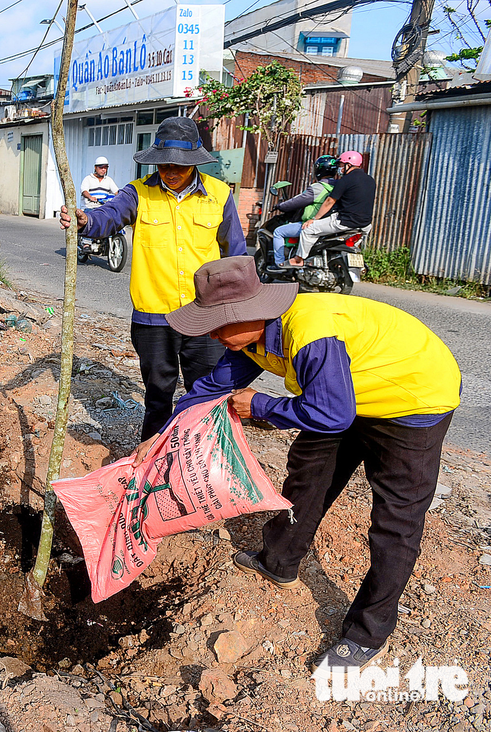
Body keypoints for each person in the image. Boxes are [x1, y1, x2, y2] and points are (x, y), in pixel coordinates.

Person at [136, 256, 460, 670]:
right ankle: (279, 561)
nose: (215, 336)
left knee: (397, 520)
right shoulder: (250, 339)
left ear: (254, 312)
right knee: (308, 473)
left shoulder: (309, 333)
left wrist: (263, 406)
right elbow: (211, 388)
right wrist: (160, 437)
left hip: (413, 399)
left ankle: (368, 632)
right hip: (347, 393)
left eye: (220, 324)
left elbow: (332, 415)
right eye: (209, 325)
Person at [60, 116, 247, 440]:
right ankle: (152, 461)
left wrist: (240, 311)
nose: (170, 172)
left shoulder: (219, 194)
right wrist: (85, 220)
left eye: (179, 166)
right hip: (154, 318)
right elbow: (109, 216)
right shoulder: (138, 193)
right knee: (158, 395)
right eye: (163, 165)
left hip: (205, 317)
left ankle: (203, 461)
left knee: (208, 397)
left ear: (194, 163)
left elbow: (237, 255)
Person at [288, 151, 375, 266]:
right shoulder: (370, 180)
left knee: (308, 230)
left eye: (341, 165)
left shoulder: (345, 181)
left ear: (348, 165)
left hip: (345, 221)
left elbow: (329, 201)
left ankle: (299, 259)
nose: (340, 169)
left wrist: (314, 219)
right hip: (365, 224)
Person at [268, 155, 339, 268]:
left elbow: (296, 201)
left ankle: (279, 264)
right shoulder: (339, 186)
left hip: (311, 224)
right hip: (331, 224)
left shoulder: (318, 188)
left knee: (278, 232)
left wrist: (280, 206)